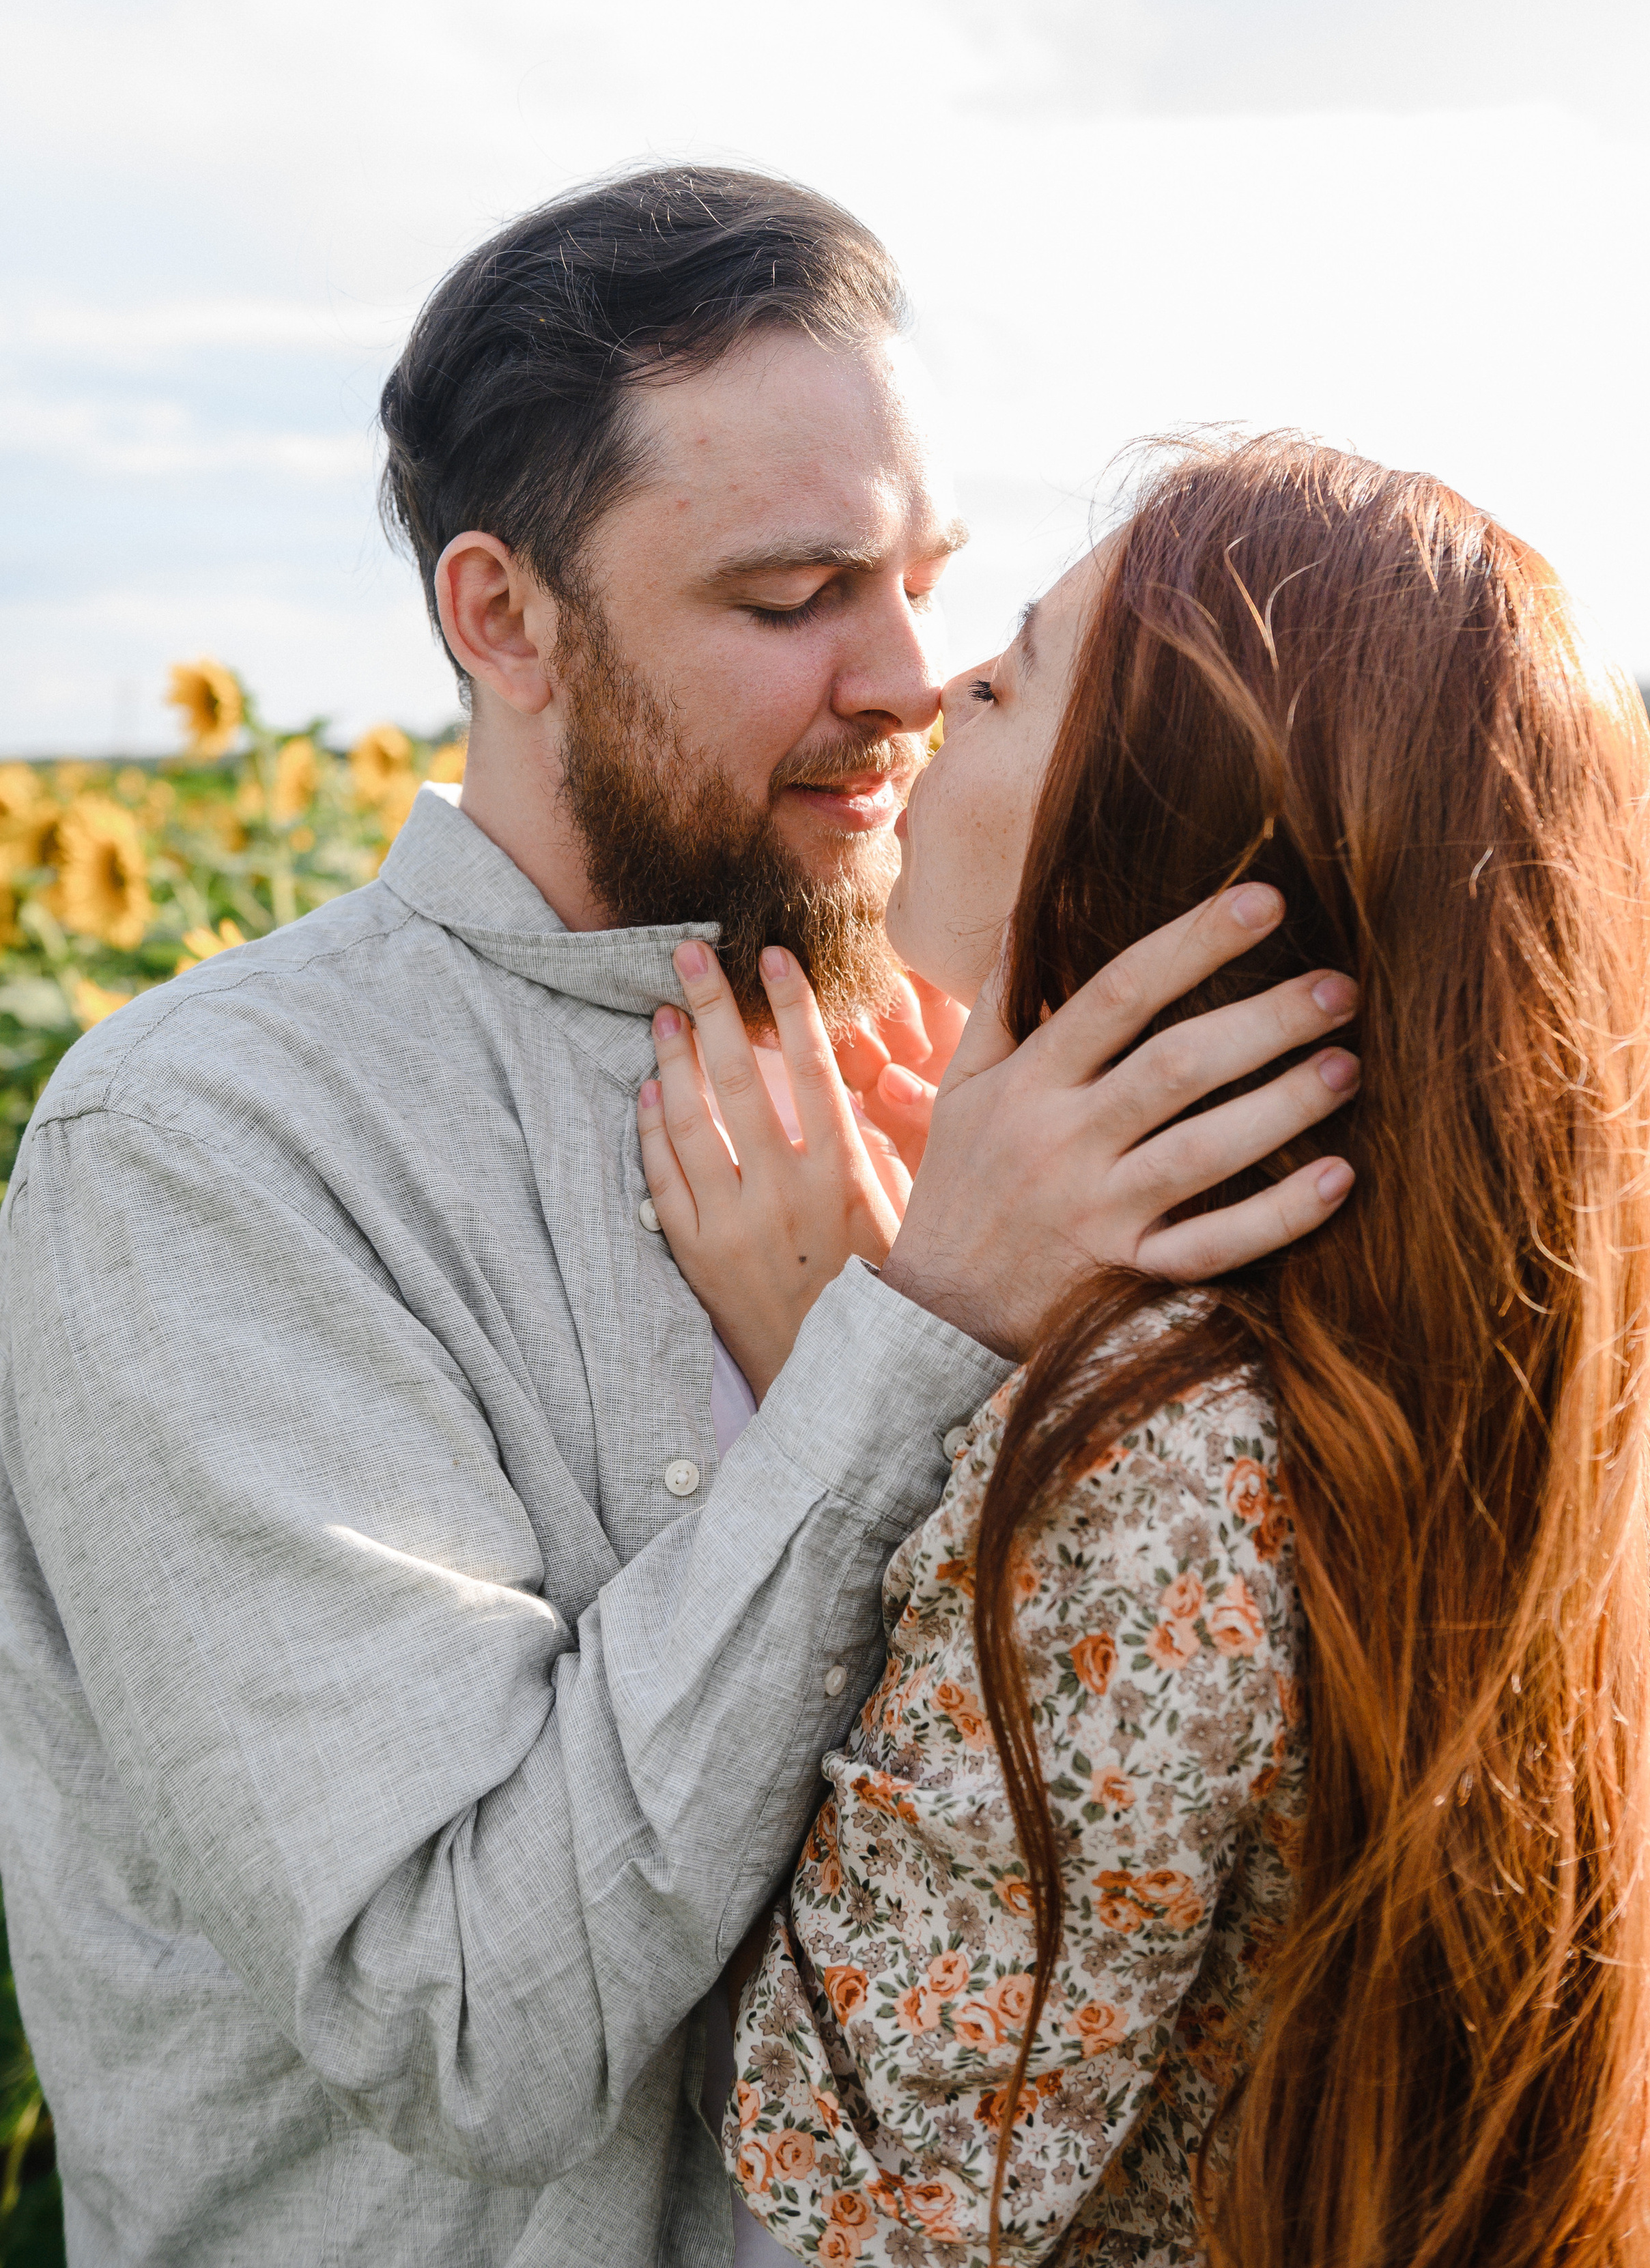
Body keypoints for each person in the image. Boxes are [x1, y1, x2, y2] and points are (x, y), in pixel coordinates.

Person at [0, 173, 1358, 2268]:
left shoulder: (987, 1053)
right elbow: (460, 2026)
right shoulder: (209, 1149)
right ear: (504, 618)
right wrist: (921, 1344)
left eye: (925, 577)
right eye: (793, 592)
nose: (911, 672)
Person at [637, 435, 1650, 2266]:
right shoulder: (1423, 1365)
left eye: (1020, 671)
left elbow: (854, 2183)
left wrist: (860, 1384)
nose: (936, 691)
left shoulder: (1152, 1462)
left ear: (1164, 831)